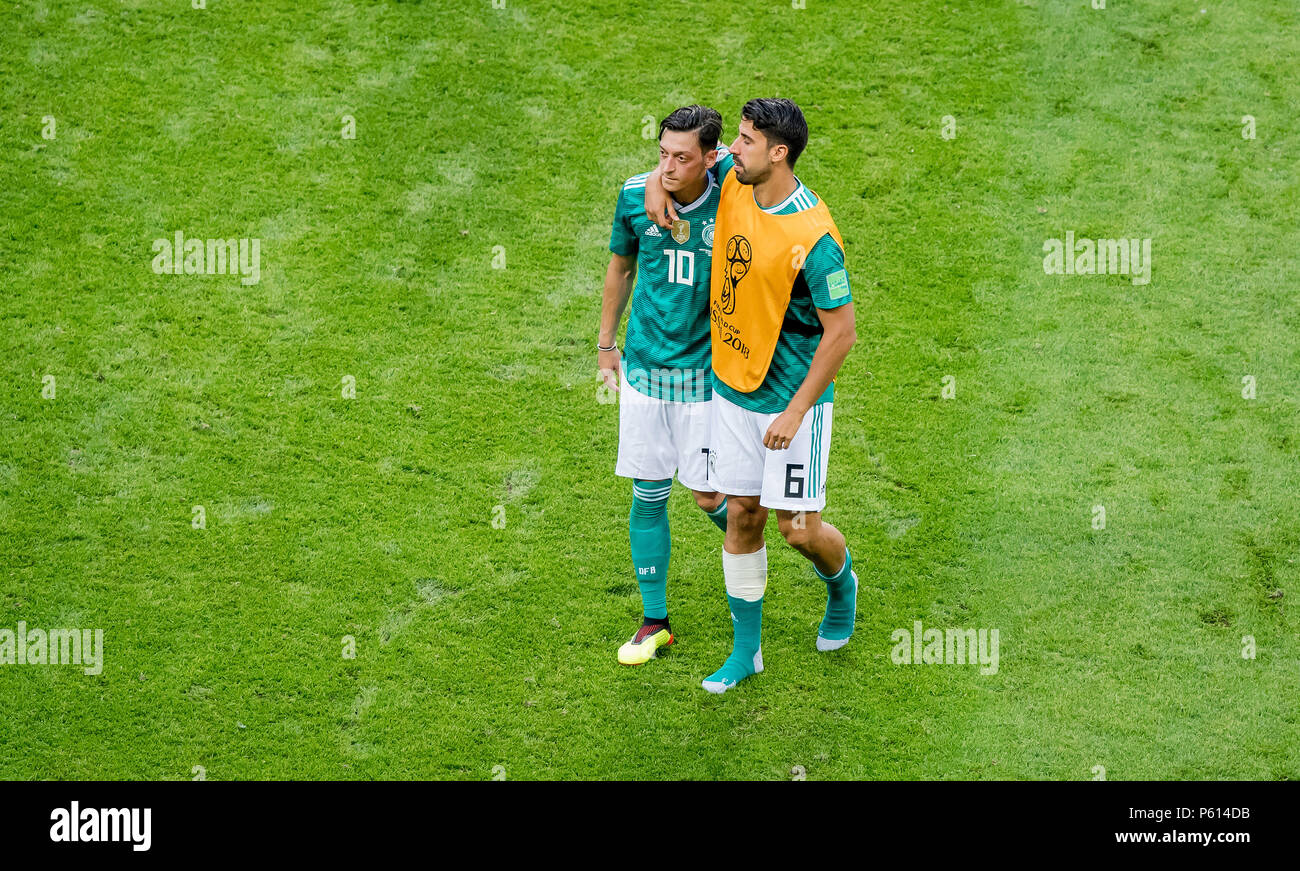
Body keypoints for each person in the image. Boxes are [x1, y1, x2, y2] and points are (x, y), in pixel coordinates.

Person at [644, 98, 859, 693]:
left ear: (778, 153)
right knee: (742, 514)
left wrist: (795, 412)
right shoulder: (735, 183)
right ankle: (747, 653)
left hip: (792, 402)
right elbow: (675, 168)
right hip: (730, 390)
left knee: (797, 529)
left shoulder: (814, 237)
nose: (732, 149)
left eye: (744, 140)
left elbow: (842, 333)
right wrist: (651, 192)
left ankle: (841, 585)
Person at [599, 105, 730, 666]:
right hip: (646, 372)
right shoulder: (636, 195)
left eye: (683, 157)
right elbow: (620, 268)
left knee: (708, 497)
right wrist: (608, 345)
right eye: (662, 156)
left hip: (707, 378)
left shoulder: (736, 196)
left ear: (712, 157)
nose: (669, 167)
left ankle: (754, 534)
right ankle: (655, 621)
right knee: (647, 496)